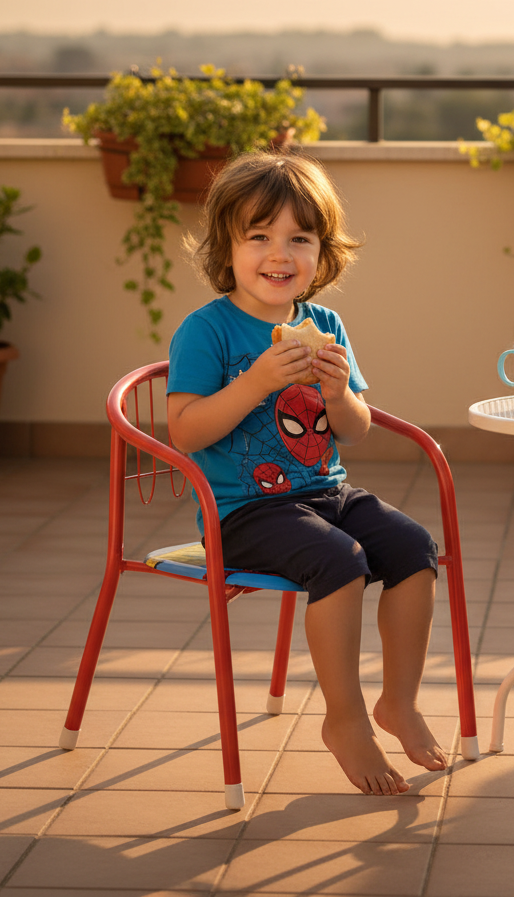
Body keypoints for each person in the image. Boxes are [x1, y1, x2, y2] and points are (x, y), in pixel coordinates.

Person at [166, 150, 446, 796]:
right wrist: (257, 382)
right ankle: (344, 719)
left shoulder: (324, 324)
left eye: (299, 238)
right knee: (340, 559)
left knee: (412, 546)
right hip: (240, 513)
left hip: (326, 491)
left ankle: (396, 702)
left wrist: (341, 393)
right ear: (227, 250)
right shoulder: (206, 332)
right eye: (259, 236)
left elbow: (356, 429)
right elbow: (184, 431)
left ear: (322, 252)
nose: (280, 253)